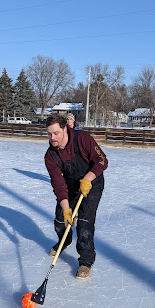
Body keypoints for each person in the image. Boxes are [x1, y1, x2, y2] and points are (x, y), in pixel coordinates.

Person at [44, 113, 108, 279]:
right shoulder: (51, 155)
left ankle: (86, 261)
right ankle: (65, 241)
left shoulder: (83, 139)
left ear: (65, 129)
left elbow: (102, 160)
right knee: (60, 220)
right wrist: (66, 209)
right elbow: (58, 183)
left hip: (92, 184)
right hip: (71, 187)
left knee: (84, 224)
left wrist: (88, 179)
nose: (52, 138)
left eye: (56, 133)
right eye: (49, 134)